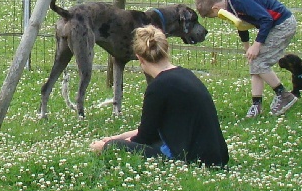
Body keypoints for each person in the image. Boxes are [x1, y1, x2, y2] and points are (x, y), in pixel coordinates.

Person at [90, 25, 229, 167]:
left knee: (114, 146)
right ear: (166, 49)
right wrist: (117, 137)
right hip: (216, 155)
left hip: (192, 159)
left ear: (139, 58)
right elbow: (152, 129)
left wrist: (108, 144)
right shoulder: (185, 74)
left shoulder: (158, 87)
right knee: (118, 142)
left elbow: (144, 138)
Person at [195, 0, 298, 118]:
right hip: (274, 26)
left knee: (260, 62)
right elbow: (241, 25)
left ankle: (284, 95)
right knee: (254, 61)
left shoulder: (240, 1)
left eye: (214, 16)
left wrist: (256, 45)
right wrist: (247, 47)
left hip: (282, 24)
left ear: (215, 8)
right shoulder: (230, 6)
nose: (218, 18)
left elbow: (267, 19)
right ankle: (256, 105)